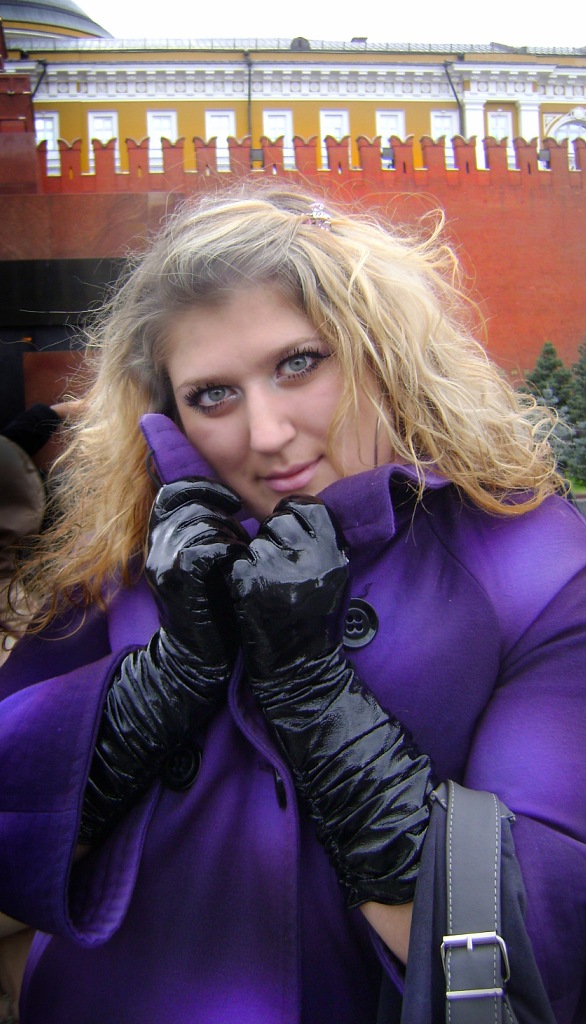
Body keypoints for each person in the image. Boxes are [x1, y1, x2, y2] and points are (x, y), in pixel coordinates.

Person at [0, 184, 584, 1024]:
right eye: (213, 394)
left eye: (299, 363)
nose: (266, 434)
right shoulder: (132, 562)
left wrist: (314, 695)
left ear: (380, 350)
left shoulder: (535, 562)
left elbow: (540, 950)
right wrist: (163, 683)